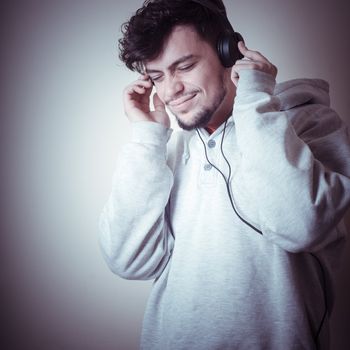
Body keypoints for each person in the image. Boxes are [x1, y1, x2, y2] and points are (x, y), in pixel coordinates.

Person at [99, 0, 350, 349]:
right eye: (158, 76)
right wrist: (147, 137)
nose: (170, 91)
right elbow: (129, 260)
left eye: (184, 66)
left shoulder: (309, 124)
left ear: (227, 51)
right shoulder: (164, 151)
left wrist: (255, 101)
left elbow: (301, 225)